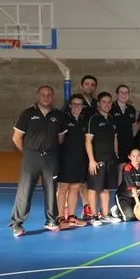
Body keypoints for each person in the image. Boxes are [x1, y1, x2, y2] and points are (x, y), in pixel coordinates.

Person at [8, 85, 68, 237]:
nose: (46, 97)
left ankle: (51, 221)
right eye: (43, 94)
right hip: (31, 158)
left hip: (50, 158)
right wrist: (28, 153)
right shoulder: (28, 114)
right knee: (25, 191)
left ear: (53, 96)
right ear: (37, 96)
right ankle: (17, 224)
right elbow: (16, 138)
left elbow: (60, 138)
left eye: (49, 94)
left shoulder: (59, 115)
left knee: (51, 190)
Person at [86, 92, 120, 225]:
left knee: (105, 188)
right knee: (94, 188)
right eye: (104, 102)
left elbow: (115, 139)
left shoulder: (111, 119)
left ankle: (105, 214)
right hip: (97, 159)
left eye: (109, 102)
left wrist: (116, 156)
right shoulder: (93, 119)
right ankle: (94, 215)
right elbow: (88, 141)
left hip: (110, 159)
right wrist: (91, 160)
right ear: (99, 104)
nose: (107, 104)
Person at [57, 94, 88, 228]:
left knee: (75, 188)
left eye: (79, 104)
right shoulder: (64, 119)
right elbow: (59, 139)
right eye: (74, 104)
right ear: (69, 105)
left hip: (80, 160)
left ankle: (71, 217)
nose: (76, 107)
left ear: (82, 106)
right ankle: (60, 218)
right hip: (65, 159)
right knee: (63, 188)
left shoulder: (83, 121)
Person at [111, 148, 140, 221]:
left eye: (138, 156)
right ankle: (117, 211)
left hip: (138, 196)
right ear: (129, 157)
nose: (136, 158)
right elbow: (133, 188)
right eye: (133, 156)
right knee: (129, 217)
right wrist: (138, 203)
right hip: (125, 196)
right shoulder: (127, 168)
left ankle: (132, 207)